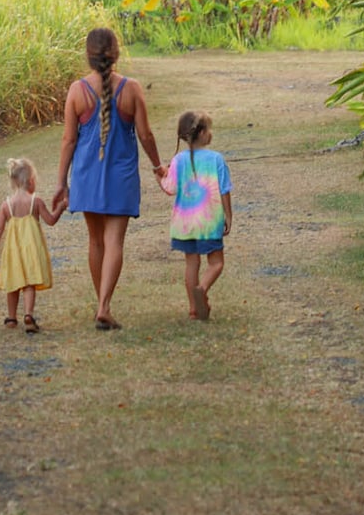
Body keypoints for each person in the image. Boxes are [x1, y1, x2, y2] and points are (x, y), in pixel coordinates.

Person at [52, 26, 165, 330]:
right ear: (116, 54)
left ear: (88, 56)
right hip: (121, 175)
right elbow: (145, 134)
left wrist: (61, 182)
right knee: (114, 240)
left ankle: (101, 304)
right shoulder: (132, 88)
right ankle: (104, 305)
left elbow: (68, 141)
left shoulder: (77, 90)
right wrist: (158, 166)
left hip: (87, 174)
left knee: (95, 240)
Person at [157, 109, 233, 320]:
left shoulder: (178, 160)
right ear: (201, 133)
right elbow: (225, 189)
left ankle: (193, 308)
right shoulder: (216, 159)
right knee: (216, 263)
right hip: (209, 222)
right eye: (209, 129)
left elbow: (169, 188)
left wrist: (160, 174)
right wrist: (228, 216)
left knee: (191, 264)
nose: (211, 133)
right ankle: (203, 287)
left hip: (184, 224)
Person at [0, 156, 62, 333]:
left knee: (13, 282)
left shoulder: (6, 205)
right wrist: (61, 207)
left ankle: (11, 317)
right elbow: (50, 220)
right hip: (31, 250)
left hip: (13, 251)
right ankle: (28, 315)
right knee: (29, 283)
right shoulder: (36, 201)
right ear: (30, 181)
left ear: (13, 181)